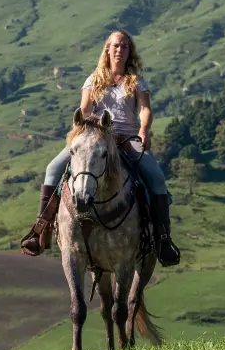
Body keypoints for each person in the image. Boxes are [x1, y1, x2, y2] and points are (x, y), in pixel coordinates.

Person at [20, 29, 180, 266]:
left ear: (129, 51)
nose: (120, 50)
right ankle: (40, 231)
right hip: (95, 138)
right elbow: (85, 108)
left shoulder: (136, 80)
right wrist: (81, 125)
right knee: (53, 169)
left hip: (127, 139)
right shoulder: (93, 79)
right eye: (116, 45)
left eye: (125, 46)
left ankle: (163, 239)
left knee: (156, 179)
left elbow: (145, 109)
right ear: (107, 49)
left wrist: (143, 131)